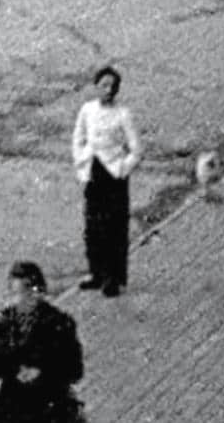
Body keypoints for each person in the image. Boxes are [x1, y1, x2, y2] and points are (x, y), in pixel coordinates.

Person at [0, 261, 83, 423]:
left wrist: (42, 372)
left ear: (38, 292)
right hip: (12, 407)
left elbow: (75, 369)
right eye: (13, 294)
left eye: (22, 293)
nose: (16, 301)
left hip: (51, 405)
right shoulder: (0, 324)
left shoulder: (59, 324)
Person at [72, 65, 142, 296]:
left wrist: (122, 168)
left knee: (114, 227)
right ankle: (96, 273)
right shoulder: (87, 110)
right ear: (96, 87)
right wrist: (82, 163)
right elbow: (78, 138)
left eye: (112, 86)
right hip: (94, 172)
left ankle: (113, 277)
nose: (108, 90)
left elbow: (136, 149)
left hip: (113, 176)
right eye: (104, 85)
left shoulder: (123, 114)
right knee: (93, 226)